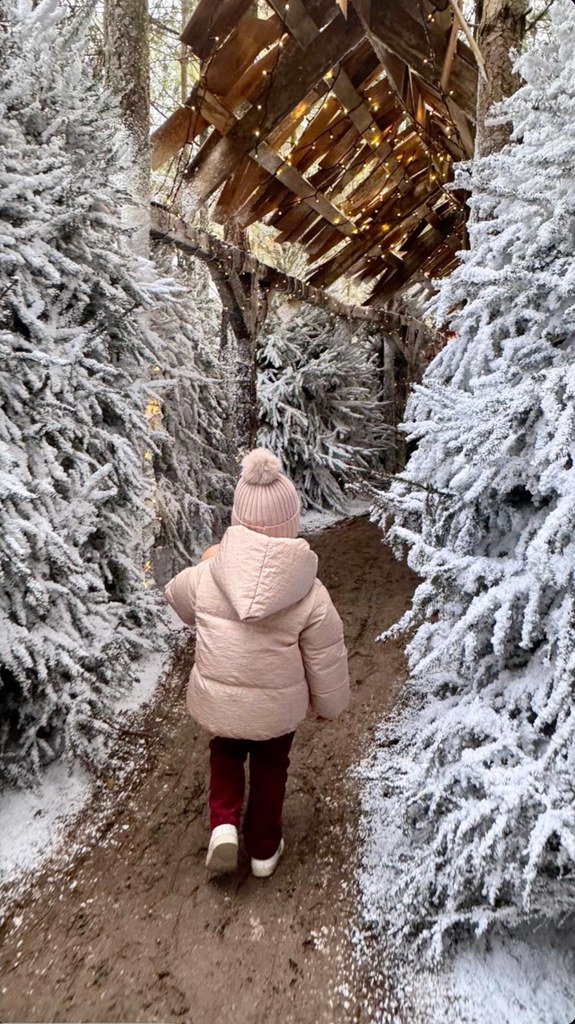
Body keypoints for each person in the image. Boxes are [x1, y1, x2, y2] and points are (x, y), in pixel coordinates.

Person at [164, 448, 349, 878]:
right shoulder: (309, 591)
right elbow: (326, 655)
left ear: (237, 521)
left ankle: (224, 824)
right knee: (271, 767)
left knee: (225, 754)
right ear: (291, 524)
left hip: (221, 705)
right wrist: (329, 706)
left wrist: (207, 562)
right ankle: (264, 849)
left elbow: (175, 596)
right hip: (276, 713)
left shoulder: (209, 576)